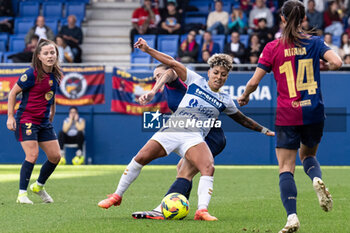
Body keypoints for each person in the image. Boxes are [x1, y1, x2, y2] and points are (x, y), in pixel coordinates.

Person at [97, 37, 274, 221]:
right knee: (141, 157)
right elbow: (172, 63)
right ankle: (116, 196)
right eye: (216, 72)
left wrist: (263, 130)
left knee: (208, 167)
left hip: (193, 137)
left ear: (227, 77)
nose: (219, 77)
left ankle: (202, 210)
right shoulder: (196, 81)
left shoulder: (226, 100)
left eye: (223, 74)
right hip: (173, 129)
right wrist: (148, 49)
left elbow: (242, 119)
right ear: (209, 72)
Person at [237, 1, 342, 232]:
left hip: (288, 113)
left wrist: (244, 96)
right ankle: (315, 178)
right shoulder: (314, 42)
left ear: (282, 19)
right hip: (314, 111)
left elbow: (254, 81)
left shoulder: (273, 47)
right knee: (308, 156)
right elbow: (337, 62)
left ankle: (292, 216)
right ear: (304, 18)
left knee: (286, 166)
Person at [6, 39, 63, 204]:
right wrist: (10, 116)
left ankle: (38, 186)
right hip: (27, 119)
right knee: (32, 155)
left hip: (44, 121)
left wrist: (52, 112)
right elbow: (12, 94)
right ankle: (22, 195)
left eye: (52, 53)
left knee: (55, 156)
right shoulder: (31, 74)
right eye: (46, 53)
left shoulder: (55, 74)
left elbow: (51, 95)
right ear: (39, 57)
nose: (50, 56)